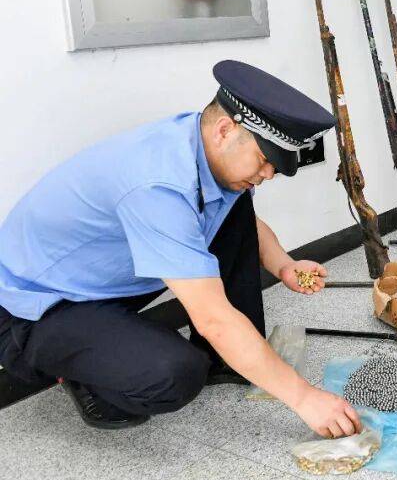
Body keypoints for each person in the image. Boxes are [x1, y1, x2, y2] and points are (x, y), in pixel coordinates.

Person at [0, 60, 362, 438]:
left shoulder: (199, 146)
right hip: (32, 311)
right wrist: (304, 397)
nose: (269, 174)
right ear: (225, 130)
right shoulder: (158, 185)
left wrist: (284, 264)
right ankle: (86, 376)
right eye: (265, 159)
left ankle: (229, 359)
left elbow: (242, 225)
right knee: (175, 373)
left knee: (237, 203)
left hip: (94, 283)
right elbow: (213, 319)